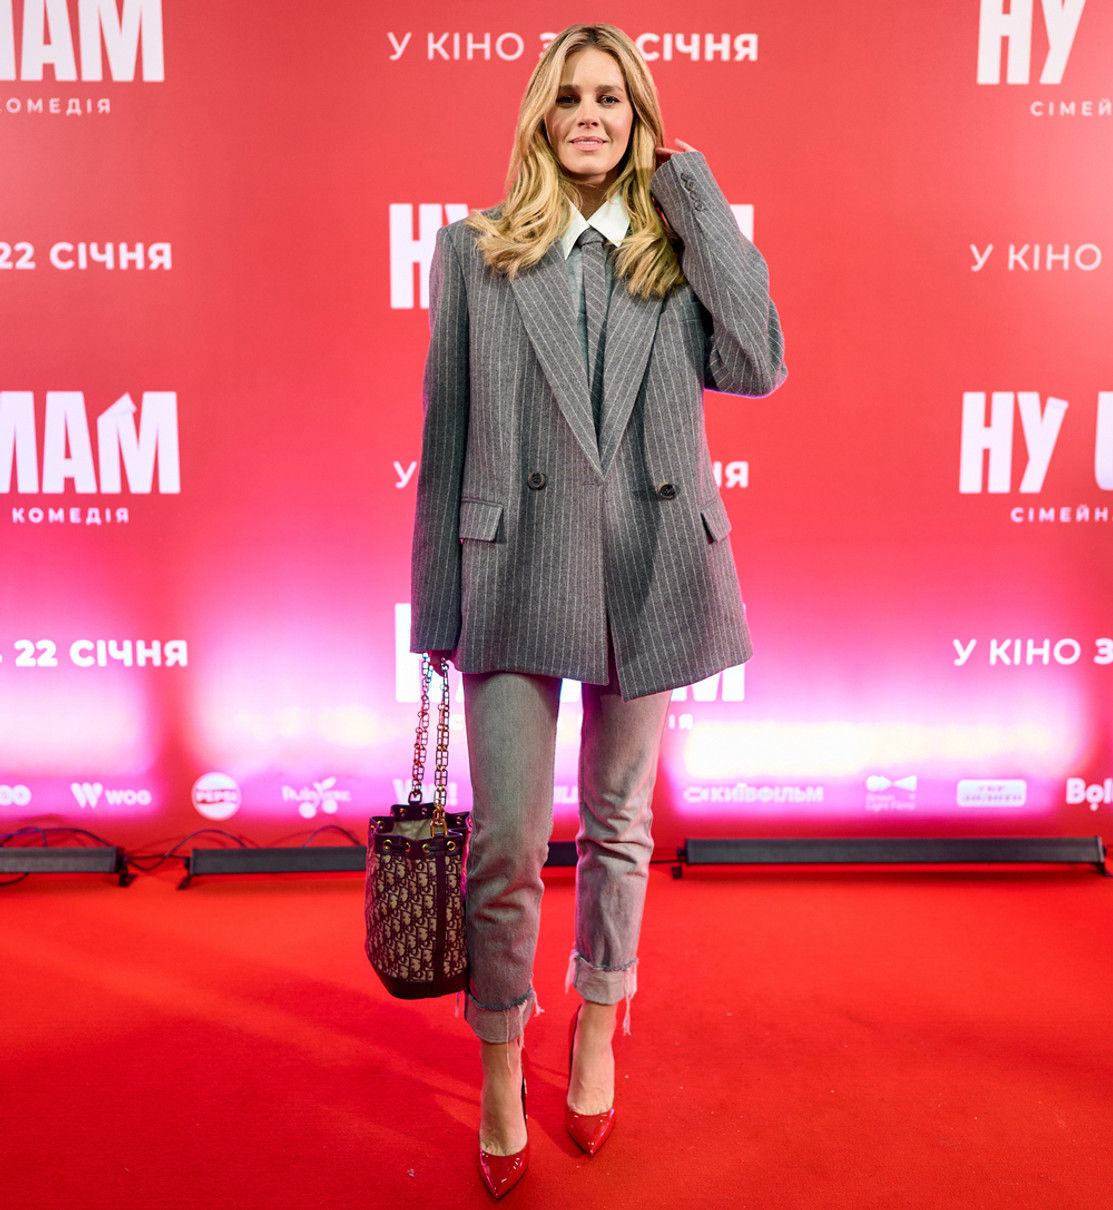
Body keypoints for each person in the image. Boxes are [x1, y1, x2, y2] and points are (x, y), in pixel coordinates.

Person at [410, 22, 785, 1198]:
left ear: (639, 121)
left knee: (619, 825)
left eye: (611, 99)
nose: (588, 115)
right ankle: (500, 1058)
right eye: (569, 96)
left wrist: (695, 194)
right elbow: (444, 434)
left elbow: (760, 361)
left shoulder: (676, 252)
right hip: (513, 565)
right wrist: (435, 609)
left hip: (648, 565)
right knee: (507, 841)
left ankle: (598, 1022)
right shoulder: (474, 251)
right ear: (541, 114)